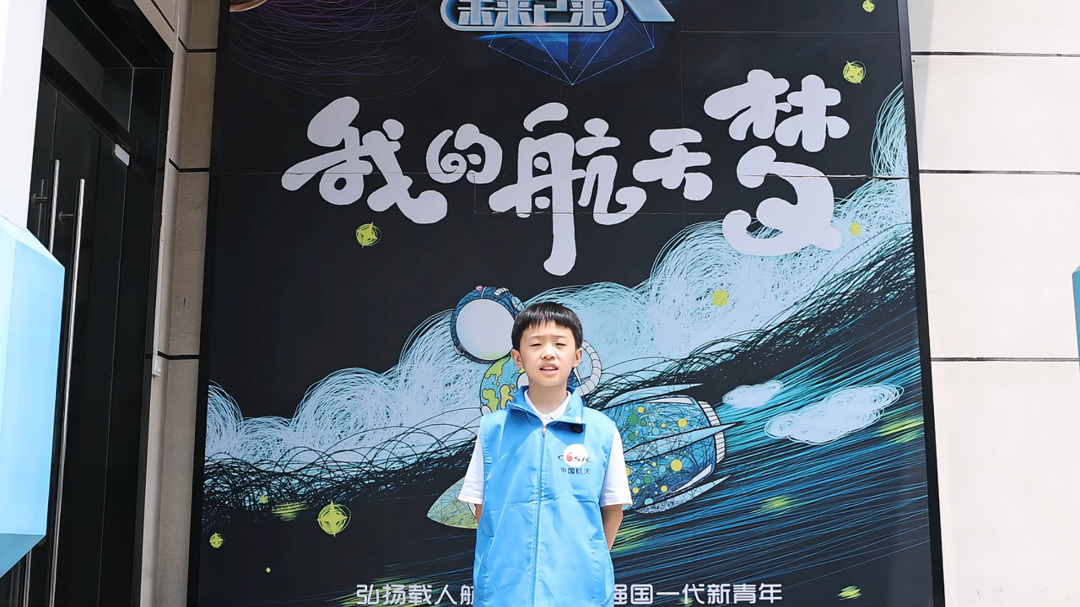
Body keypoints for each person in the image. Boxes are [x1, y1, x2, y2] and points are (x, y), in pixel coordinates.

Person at [458, 302, 632, 607]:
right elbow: (481, 506)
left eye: (560, 344)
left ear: (577, 356)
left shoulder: (601, 430)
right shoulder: (492, 429)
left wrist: (587, 560)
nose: (548, 353)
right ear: (517, 358)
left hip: (579, 594)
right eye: (536, 344)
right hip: (505, 592)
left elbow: (613, 509)